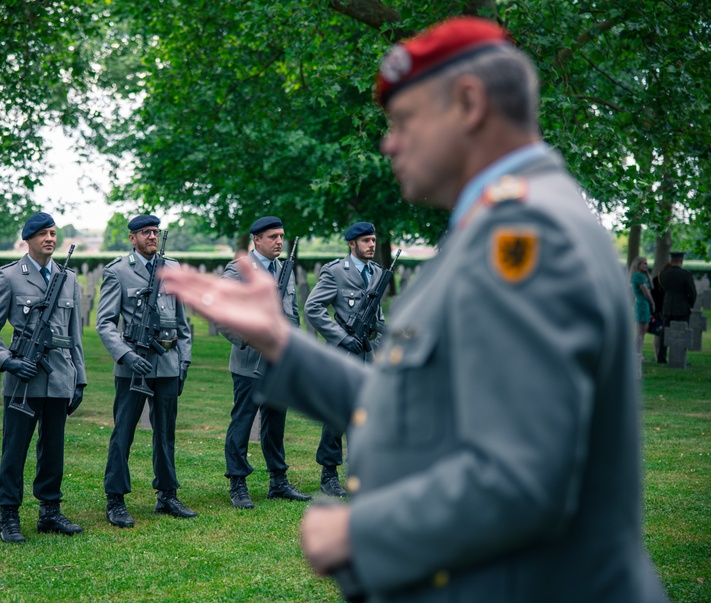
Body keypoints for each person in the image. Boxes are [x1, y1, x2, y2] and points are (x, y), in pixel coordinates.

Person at [160, 17, 667, 602]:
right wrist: (279, 340)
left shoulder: (528, 238)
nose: (389, 142)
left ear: (469, 103)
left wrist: (363, 531)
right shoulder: (491, 229)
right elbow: (408, 405)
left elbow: (524, 480)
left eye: (404, 121)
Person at [0, 212, 87, 541]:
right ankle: (8, 514)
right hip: (23, 380)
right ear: (29, 239)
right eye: (43, 234)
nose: (50, 239)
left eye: (53, 233)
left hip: (60, 376)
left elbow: (74, 335)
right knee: (15, 449)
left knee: (53, 449)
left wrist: (79, 378)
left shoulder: (68, 279)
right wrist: (8, 362)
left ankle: (49, 511)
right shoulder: (10, 277)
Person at [95, 214, 196, 528]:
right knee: (123, 434)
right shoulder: (118, 272)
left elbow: (182, 322)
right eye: (145, 232)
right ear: (132, 238)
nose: (152, 236)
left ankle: (167, 494)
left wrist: (183, 362)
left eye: (155, 231)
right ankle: (116, 499)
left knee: (165, 433)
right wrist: (125, 356)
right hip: (133, 366)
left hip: (166, 363)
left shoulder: (173, 269)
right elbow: (105, 323)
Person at [221, 216, 312, 509]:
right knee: (244, 422)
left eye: (281, 236)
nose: (279, 241)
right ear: (256, 240)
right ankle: (238, 482)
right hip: (251, 362)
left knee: (275, 424)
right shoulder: (239, 271)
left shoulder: (284, 269)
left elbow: (291, 315)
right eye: (272, 236)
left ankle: (278, 481)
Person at [303, 221, 385, 498]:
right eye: (366, 241)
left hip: (367, 356)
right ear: (352, 244)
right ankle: (329, 473)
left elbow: (378, 316)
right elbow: (313, 308)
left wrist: (377, 342)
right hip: (341, 354)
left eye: (373, 240)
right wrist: (341, 337)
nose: (372, 245)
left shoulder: (378, 273)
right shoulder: (336, 271)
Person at [657, 251, 697, 362]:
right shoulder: (686, 274)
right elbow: (692, 293)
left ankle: (661, 357)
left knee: (665, 333)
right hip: (682, 308)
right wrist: (690, 304)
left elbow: (662, 291)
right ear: (681, 261)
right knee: (682, 333)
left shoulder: (663, 274)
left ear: (671, 260)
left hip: (668, 306)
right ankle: (680, 357)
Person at [629, 256, 655, 358]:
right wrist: (652, 303)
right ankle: (636, 353)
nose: (646, 265)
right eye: (643, 263)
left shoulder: (642, 276)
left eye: (646, 263)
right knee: (640, 330)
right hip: (642, 303)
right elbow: (646, 292)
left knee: (643, 330)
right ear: (638, 265)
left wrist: (648, 274)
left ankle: (639, 353)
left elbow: (652, 286)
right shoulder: (638, 276)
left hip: (644, 304)